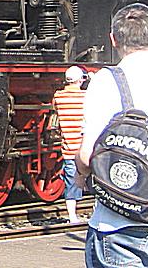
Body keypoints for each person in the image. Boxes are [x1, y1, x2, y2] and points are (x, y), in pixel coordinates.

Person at [76, 3, 148, 267]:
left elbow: (87, 156)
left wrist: (81, 176)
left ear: (113, 39)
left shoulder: (107, 80)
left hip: (120, 226)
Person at [52, 64, 87, 224]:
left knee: (71, 182)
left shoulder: (58, 97)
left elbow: (54, 108)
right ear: (80, 80)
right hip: (86, 148)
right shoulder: (86, 96)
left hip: (69, 149)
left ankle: (72, 216)